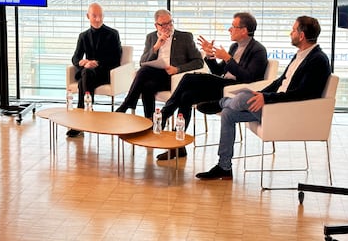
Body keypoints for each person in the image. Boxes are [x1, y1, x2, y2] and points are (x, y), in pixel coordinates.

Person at [195, 15, 331, 180]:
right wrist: (262, 95)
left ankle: (222, 102)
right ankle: (224, 167)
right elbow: (280, 82)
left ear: (301, 35)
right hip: (275, 105)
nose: (290, 33)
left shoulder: (318, 60)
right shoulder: (301, 55)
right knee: (229, 113)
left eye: (294, 30)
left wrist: (267, 99)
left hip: (285, 111)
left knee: (239, 98)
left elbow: (303, 94)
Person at [156, 12, 268, 160]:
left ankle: (163, 115)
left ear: (244, 30)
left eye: (233, 26)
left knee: (189, 77)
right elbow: (219, 71)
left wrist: (228, 59)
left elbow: (248, 78)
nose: (229, 29)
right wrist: (210, 56)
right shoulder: (235, 46)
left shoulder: (258, 50)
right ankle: (178, 145)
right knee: (186, 96)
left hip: (236, 91)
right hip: (223, 85)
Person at [116, 9, 204, 130]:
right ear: (156, 25)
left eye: (170, 23)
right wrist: (157, 46)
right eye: (163, 24)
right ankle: (150, 121)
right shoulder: (151, 37)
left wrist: (177, 69)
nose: (167, 27)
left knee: (144, 77)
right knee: (145, 77)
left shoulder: (185, 37)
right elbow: (143, 62)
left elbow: (199, 62)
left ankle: (128, 103)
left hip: (175, 78)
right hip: (158, 75)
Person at [67, 3, 122, 137]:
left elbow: (116, 59)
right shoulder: (83, 36)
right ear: (88, 16)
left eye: (100, 16)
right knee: (86, 73)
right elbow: (75, 57)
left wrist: (97, 63)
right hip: (89, 74)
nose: (98, 19)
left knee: (83, 80)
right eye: (94, 16)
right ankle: (86, 113)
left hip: (105, 73)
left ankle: (81, 117)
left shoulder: (113, 34)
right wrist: (82, 62)